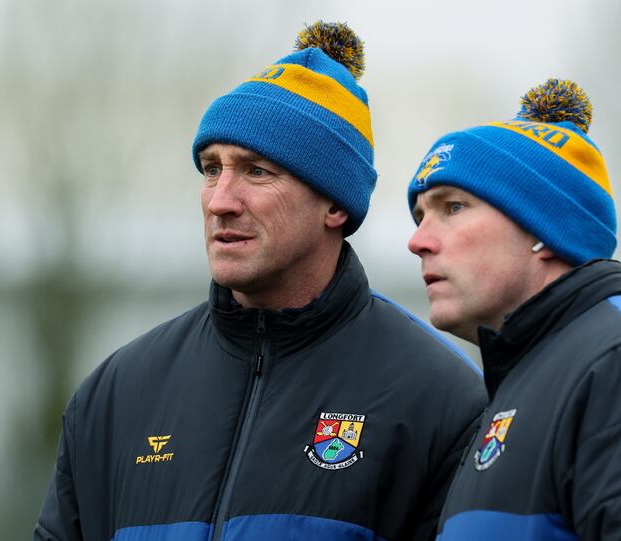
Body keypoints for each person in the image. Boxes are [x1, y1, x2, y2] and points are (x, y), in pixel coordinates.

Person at [35, 21, 485, 541]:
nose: (220, 200)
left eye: (255, 171)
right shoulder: (117, 393)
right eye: (211, 169)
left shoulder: (438, 400)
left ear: (335, 203)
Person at [407, 78, 621, 539]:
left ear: (546, 230)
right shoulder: (516, 385)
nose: (418, 241)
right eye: (420, 216)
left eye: (453, 207)